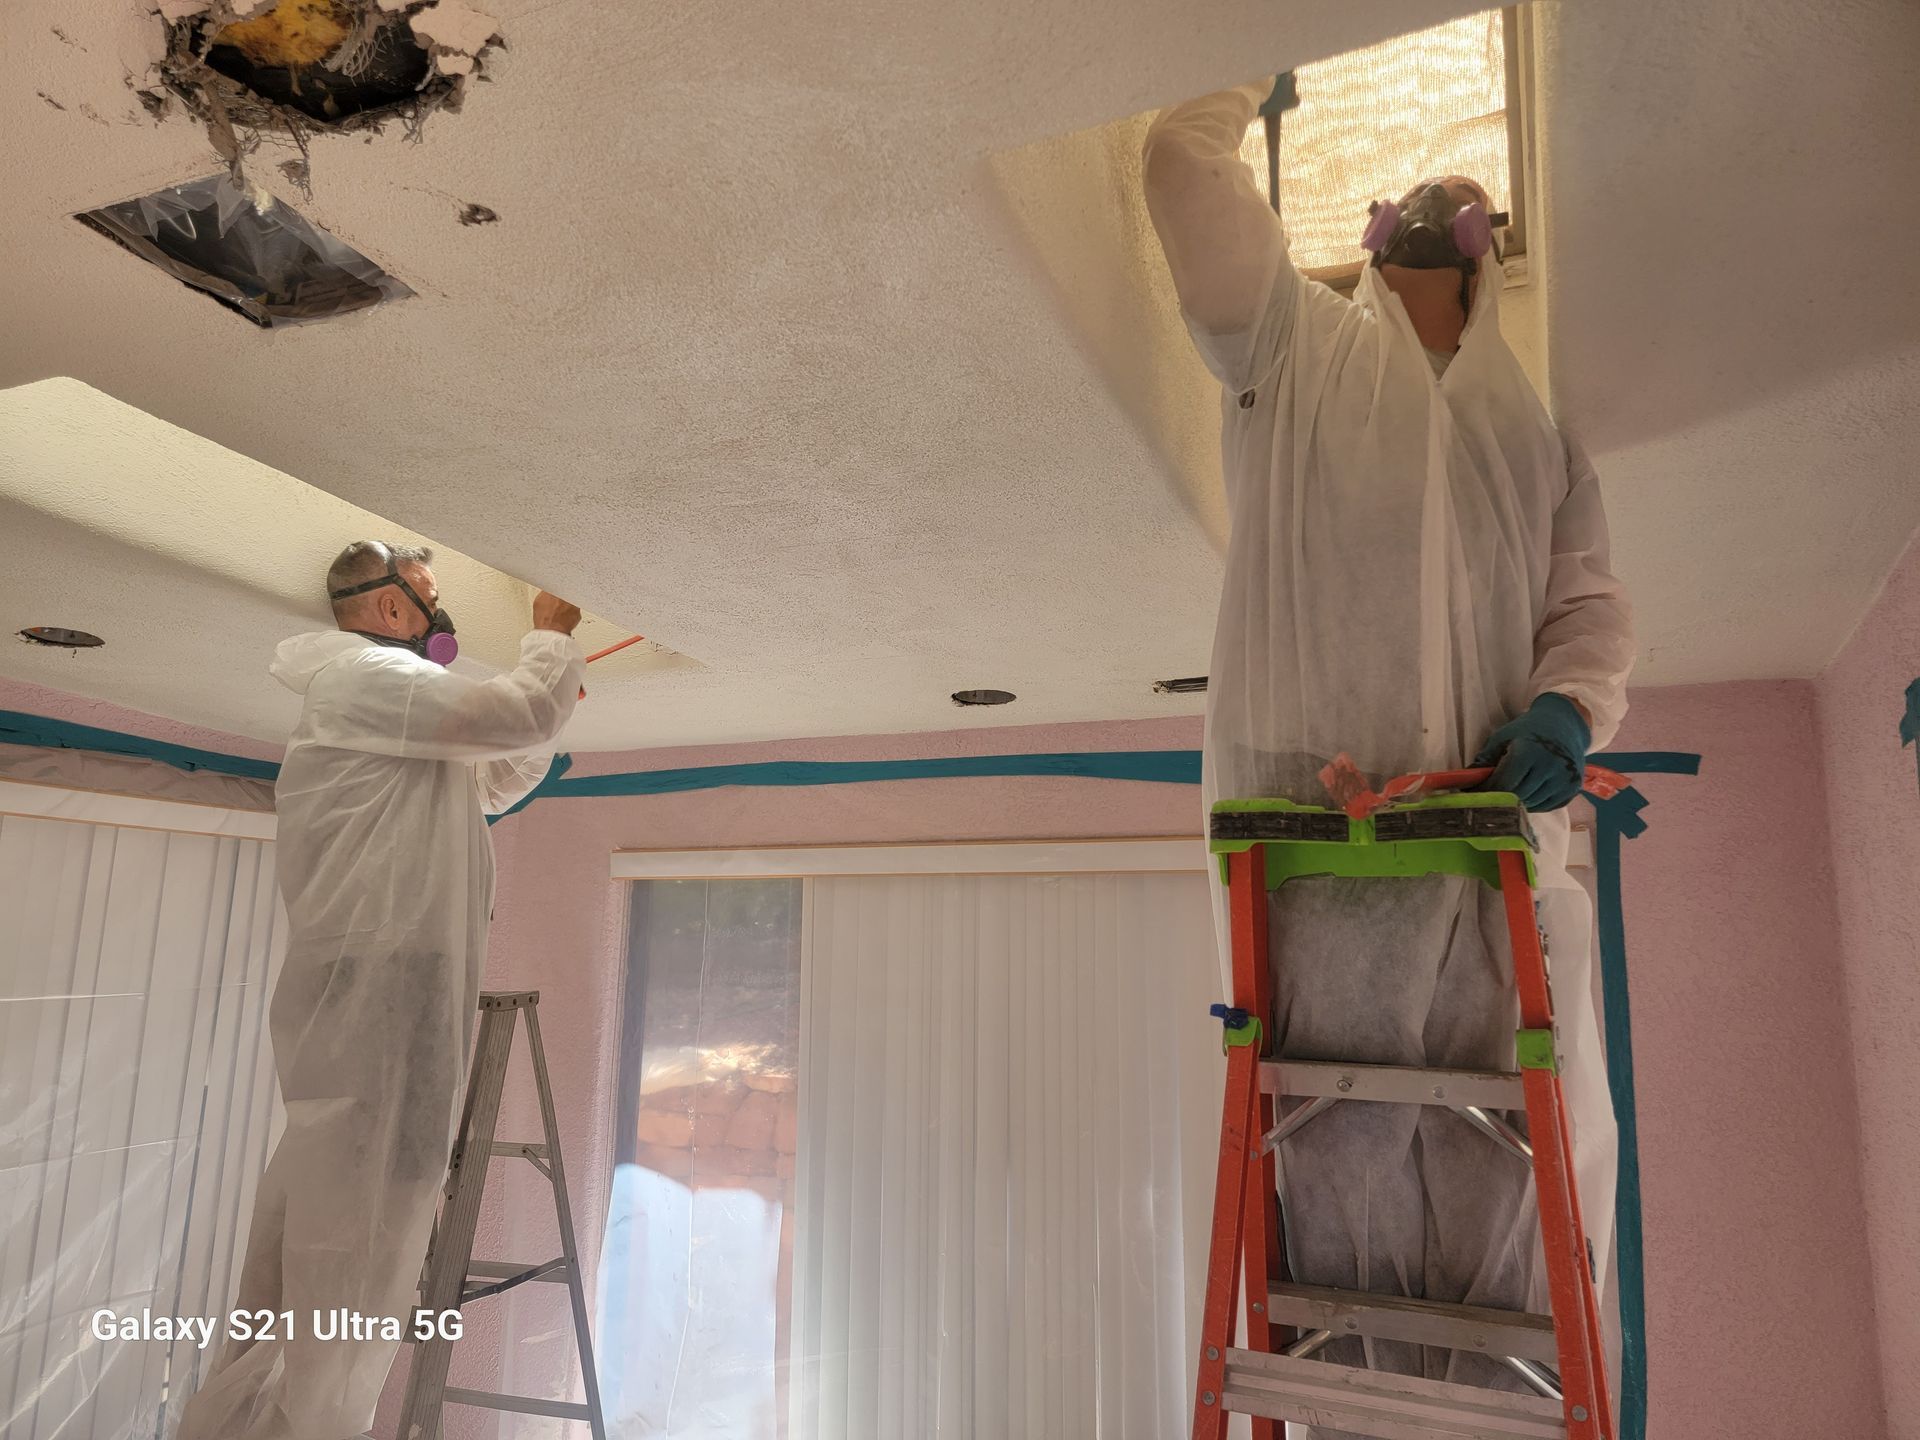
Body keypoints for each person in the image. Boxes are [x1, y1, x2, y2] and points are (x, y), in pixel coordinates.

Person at [1142, 78, 1636, 1422]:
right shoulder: (1292, 352)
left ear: (1487, 253)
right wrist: (1236, 73)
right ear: (1365, 239)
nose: (1431, 199)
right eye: (1410, 197)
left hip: (1482, 862)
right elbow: (1178, 173)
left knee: (1501, 1181)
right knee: (1338, 1161)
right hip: (1318, 854)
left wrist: (1570, 710)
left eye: (1458, 197)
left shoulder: (1537, 443)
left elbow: (1588, 609)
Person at [174, 541, 586, 1440]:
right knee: (358, 1226)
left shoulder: (389, 707)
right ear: (393, 608)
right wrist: (550, 640)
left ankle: (264, 1420)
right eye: (432, 597)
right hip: (381, 980)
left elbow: (490, 776)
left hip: (385, 979)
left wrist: (544, 709)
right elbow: (514, 714)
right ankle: (303, 1422)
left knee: (346, 1212)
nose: (441, 616)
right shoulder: (369, 676)